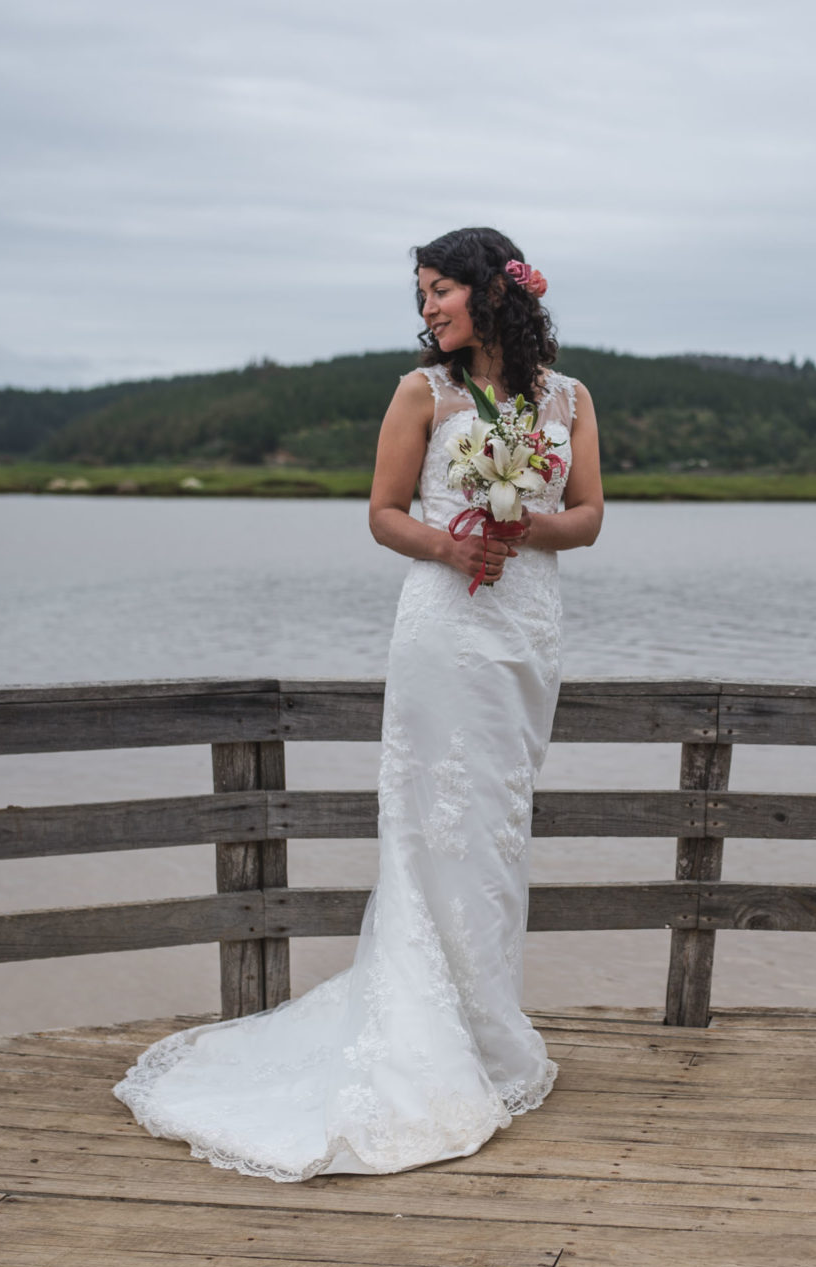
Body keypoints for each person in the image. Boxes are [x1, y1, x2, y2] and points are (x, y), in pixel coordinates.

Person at [112, 227, 602, 1180]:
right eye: (420, 294)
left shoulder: (569, 398)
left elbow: (586, 515)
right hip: (445, 626)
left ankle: (488, 1024)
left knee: (499, 821)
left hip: (527, 630)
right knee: (437, 821)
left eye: (439, 291)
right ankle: (441, 1037)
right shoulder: (422, 393)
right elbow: (382, 513)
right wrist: (453, 546)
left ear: (491, 292)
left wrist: (519, 521)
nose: (427, 309)